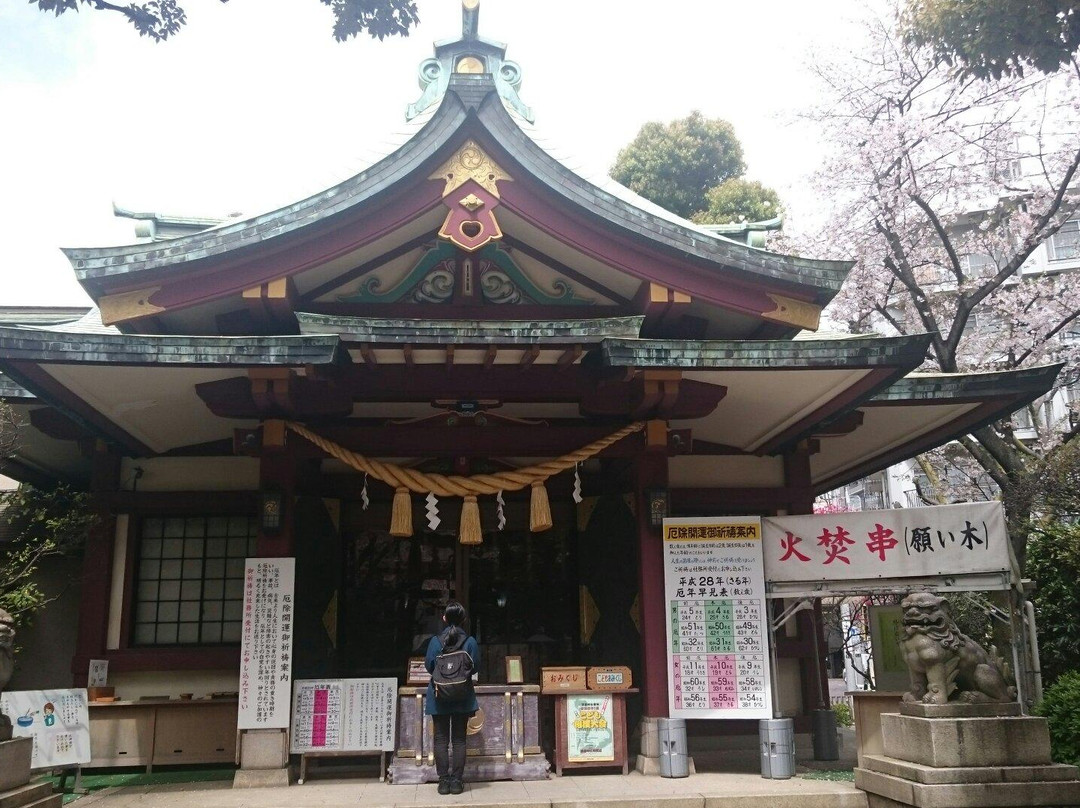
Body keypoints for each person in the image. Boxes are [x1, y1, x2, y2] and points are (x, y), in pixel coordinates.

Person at [424, 601, 479, 795]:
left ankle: (443, 781)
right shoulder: (470, 642)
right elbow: (476, 667)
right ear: (463, 620)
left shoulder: (435, 642)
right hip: (462, 695)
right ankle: (456, 782)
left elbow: (429, 666)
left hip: (439, 695)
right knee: (459, 740)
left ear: (444, 618)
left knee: (440, 739)